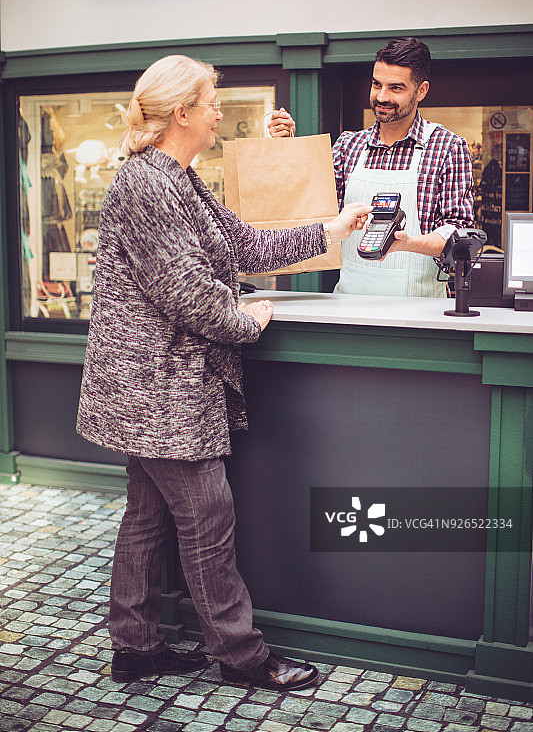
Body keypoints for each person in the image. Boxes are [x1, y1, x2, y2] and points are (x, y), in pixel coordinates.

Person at [76, 55, 370, 692]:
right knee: (207, 520)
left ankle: (135, 647)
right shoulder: (147, 185)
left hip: (158, 390)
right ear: (181, 113)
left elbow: (245, 245)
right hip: (158, 391)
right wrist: (247, 319)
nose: (218, 113)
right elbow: (186, 292)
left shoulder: (180, 179)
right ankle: (240, 656)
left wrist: (333, 229)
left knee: (147, 519)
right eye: (211, 102)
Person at [269, 37, 475, 297]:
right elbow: (312, 210)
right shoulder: (348, 145)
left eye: (396, 88)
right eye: (377, 84)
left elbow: (458, 231)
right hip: (350, 301)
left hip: (420, 307)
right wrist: (287, 148)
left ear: (421, 90)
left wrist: (408, 243)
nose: (382, 96)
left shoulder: (447, 147)